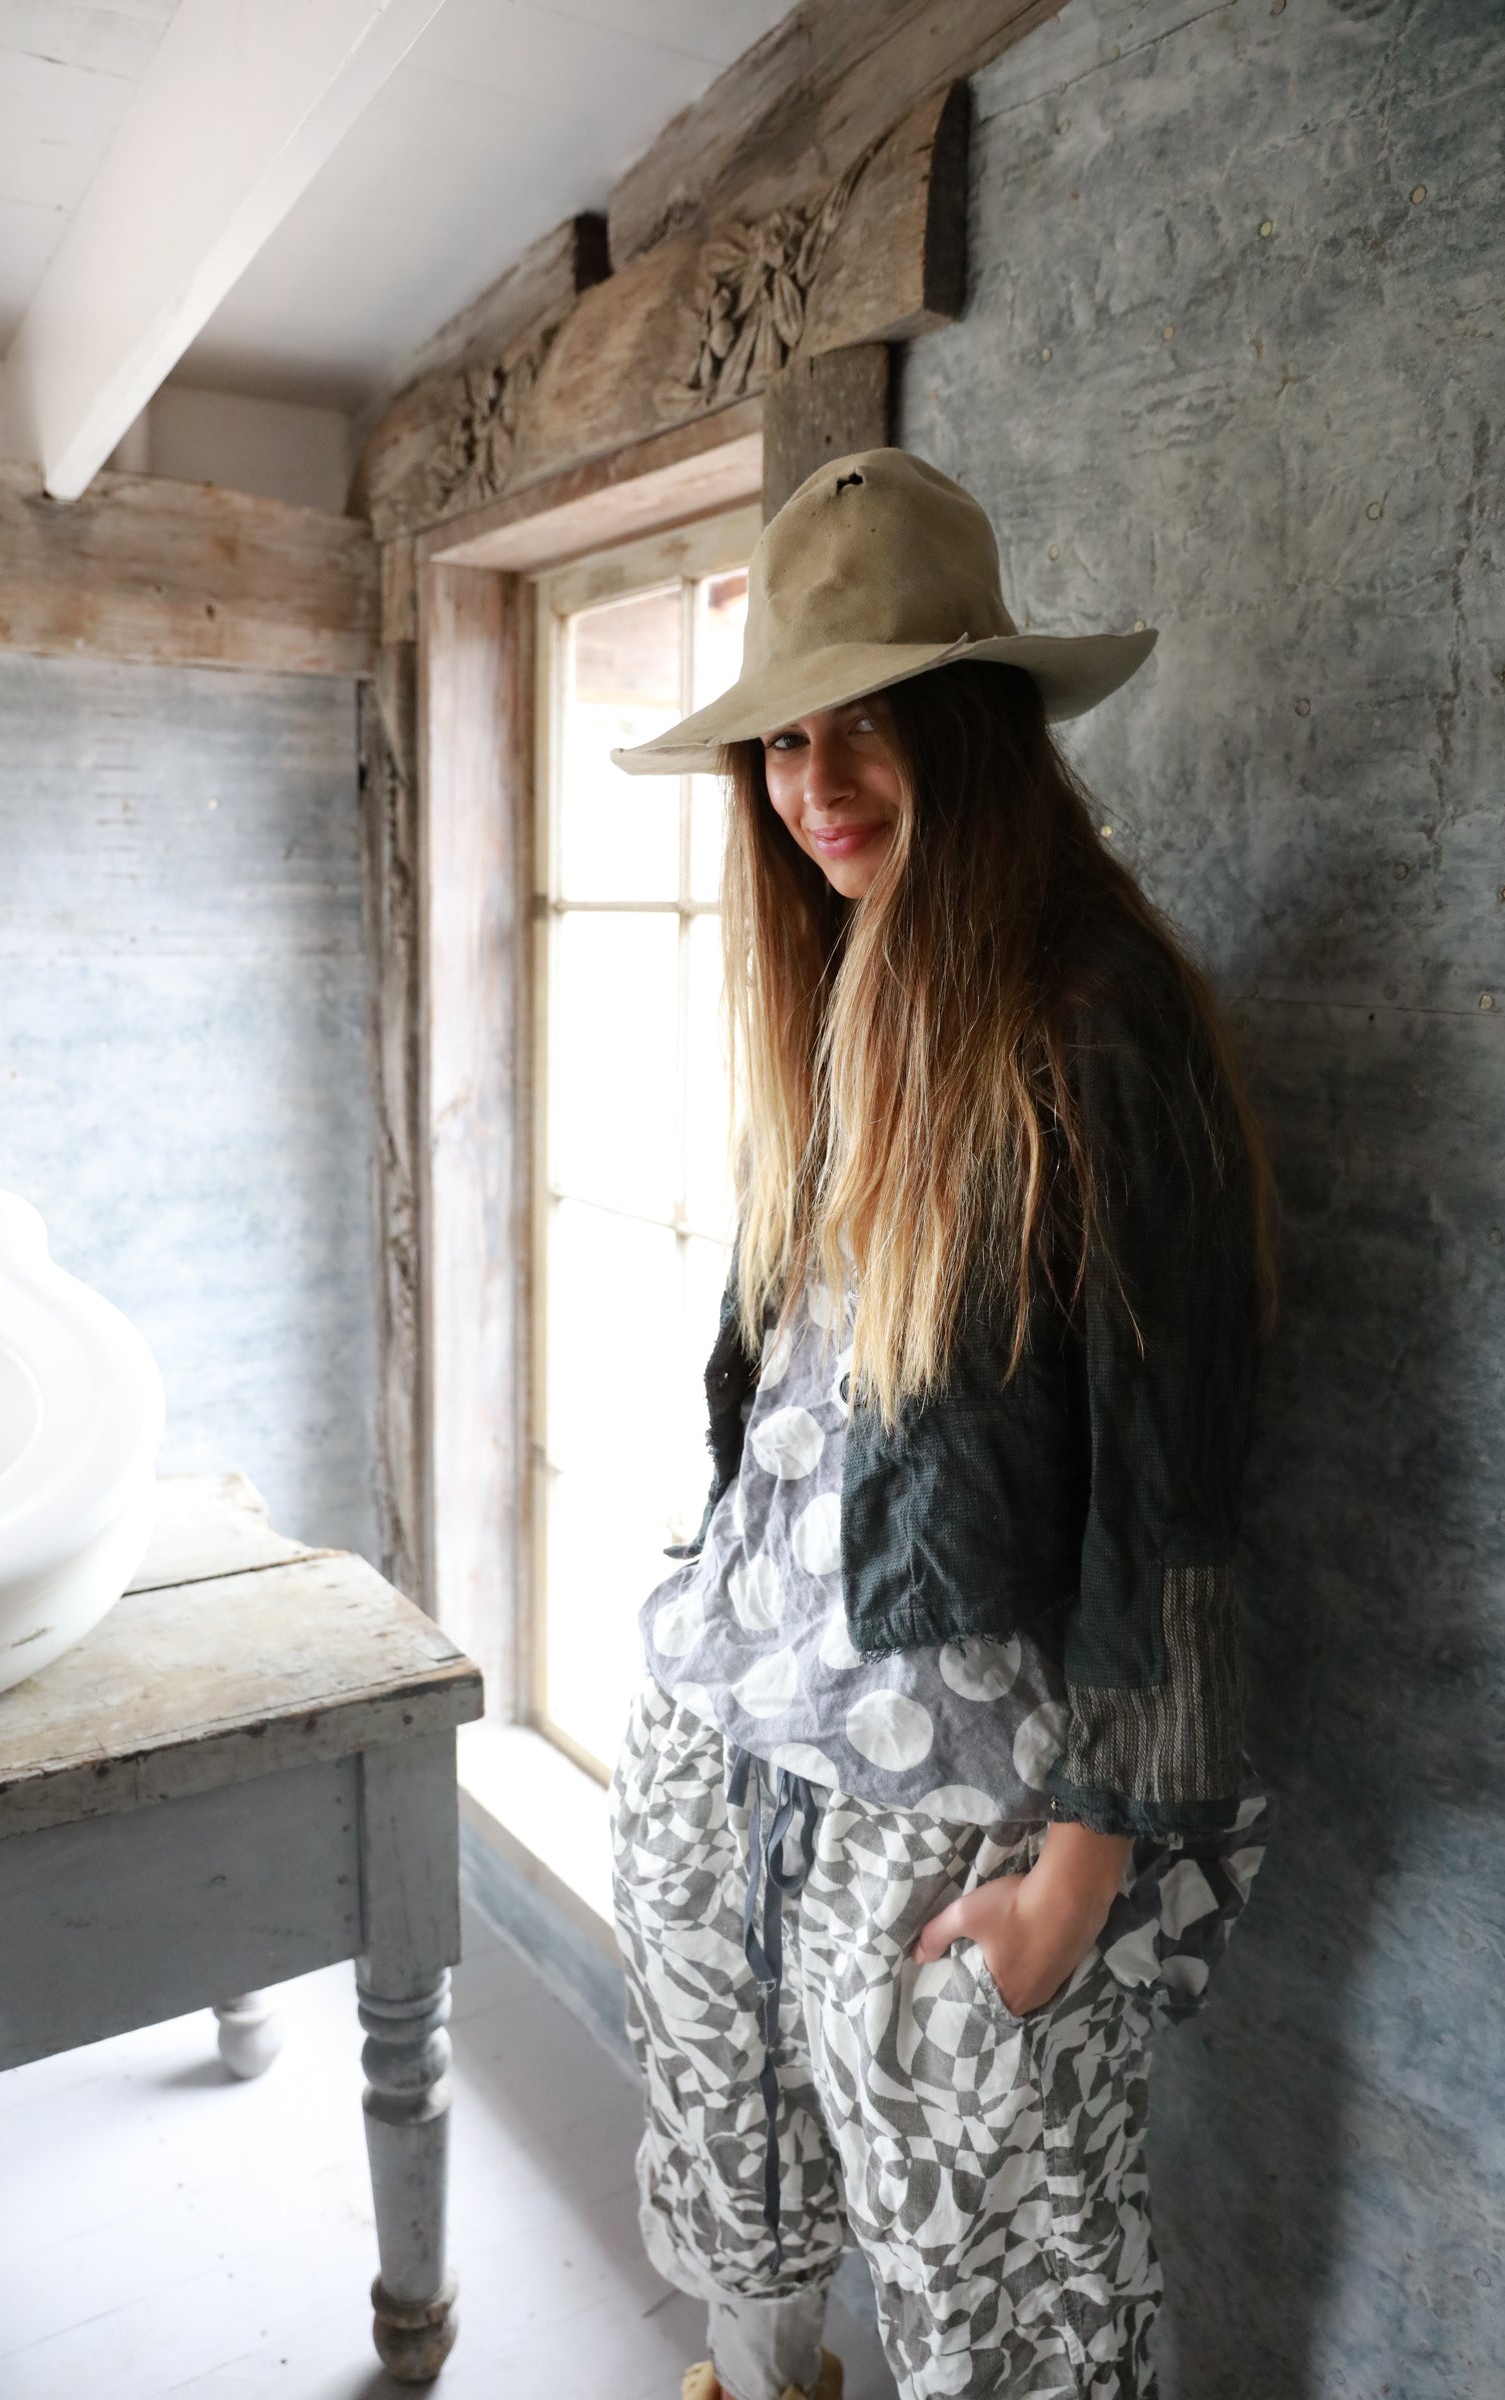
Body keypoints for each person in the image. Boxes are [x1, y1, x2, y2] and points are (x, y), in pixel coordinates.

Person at [605, 449, 1275, 2400]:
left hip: (952, 1776)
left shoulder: (1094, 1024)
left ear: (972, 726)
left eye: (867, 723)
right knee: (735, 2165)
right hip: (739, 1720)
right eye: (782, 740)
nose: (813, 785)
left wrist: (1083, 1867)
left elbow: (1172, 1483)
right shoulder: (838, 985)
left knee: (1004, 2289)